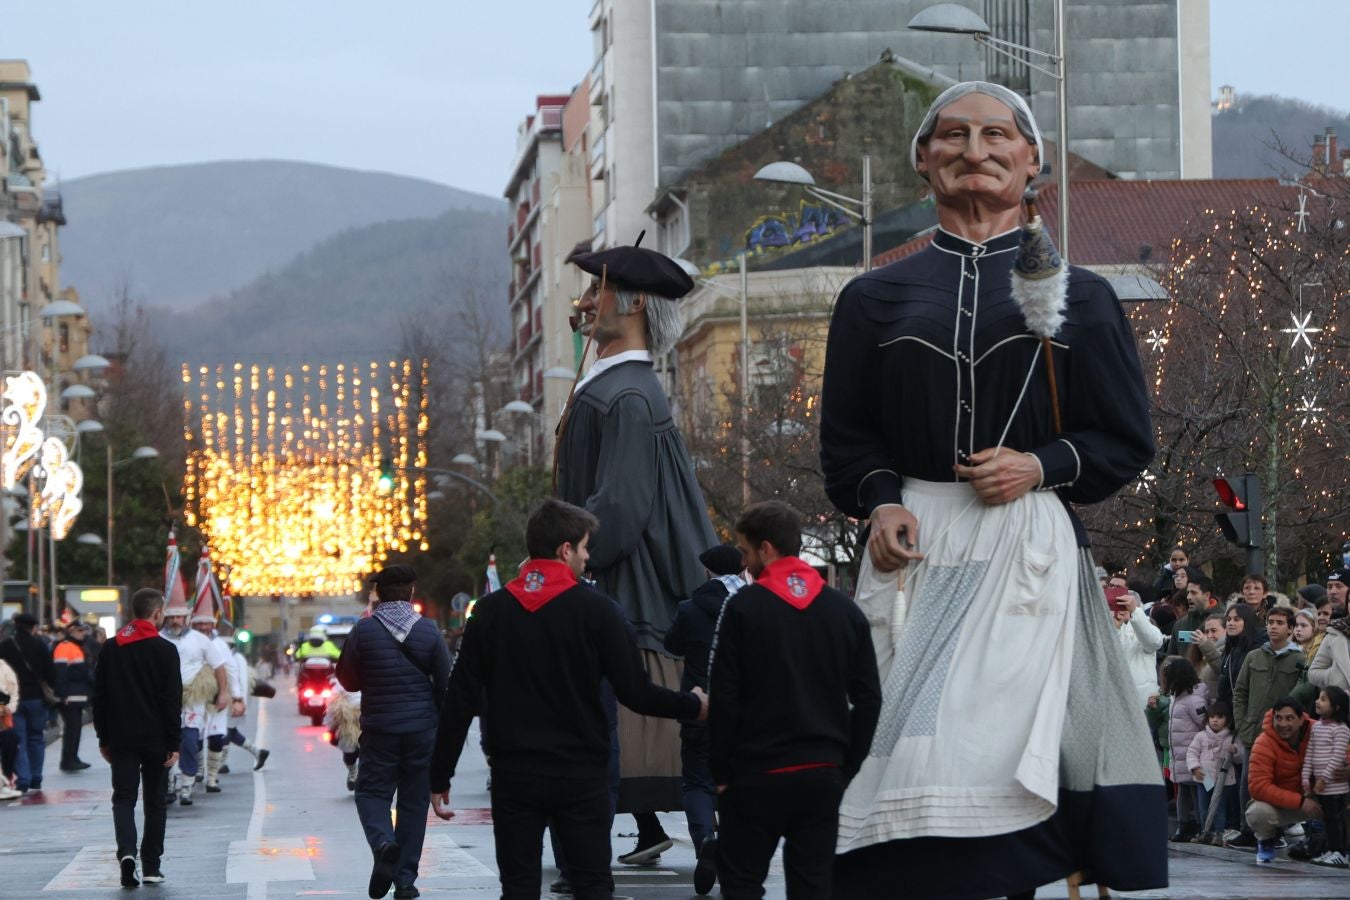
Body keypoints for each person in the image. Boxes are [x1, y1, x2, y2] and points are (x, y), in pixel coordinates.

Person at [818, 80, 1164, 899]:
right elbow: (847, 441)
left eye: (996, 135)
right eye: (954, 135)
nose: (975, 149)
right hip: (919, 549)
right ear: (922, 161)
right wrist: (881, 499)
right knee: (909, 746)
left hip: (1026, 549)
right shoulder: (872, 298)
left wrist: (1039, 465)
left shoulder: (1085, 297)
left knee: (1009, 745)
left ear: (1032, 160)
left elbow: (1124, 439)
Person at [429, 498, 707, 900]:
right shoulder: (600, 612)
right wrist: (693, 705)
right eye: (584, 547)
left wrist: (440, 775)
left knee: (519, 887)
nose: (587, 556)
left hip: (514, 775)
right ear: (565, 550)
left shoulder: (490, 613)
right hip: (582, 776)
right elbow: (636, 692)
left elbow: (460, 698)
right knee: (592, 884)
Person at [556, 236, 719, 865]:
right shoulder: (621, 387)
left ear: (633, 300)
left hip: (631, 585)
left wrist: (570, 560)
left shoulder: (624, 393)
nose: (587, 300)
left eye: (597, 288)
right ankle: (654, 828)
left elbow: (619, 509)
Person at [709, 501, 882, 900]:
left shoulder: (743, 608)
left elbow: (725, 697)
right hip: (822, 771)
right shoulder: (843, 611)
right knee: (813, 885)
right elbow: (869, 697)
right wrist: (848, 762)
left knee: (741, 883)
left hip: (756, 772)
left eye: (746, 552)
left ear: (767, 549)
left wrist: (720, 770)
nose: (744, 562)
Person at [336, 564, 451, 900]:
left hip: (381, 730)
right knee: (414, 803)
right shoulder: (429, 631)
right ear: (411, 592)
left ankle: (383, 843)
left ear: (379, 595)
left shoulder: (363, 631)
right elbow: (445, 687)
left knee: (371, 793)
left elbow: (348, 679)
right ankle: (405, 881)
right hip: (421, 732)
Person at [663, 543, 746, 895]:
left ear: (709, 572)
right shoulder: (752, 604)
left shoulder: (691, 608)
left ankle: (705, 841)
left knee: (696, 781)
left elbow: (671, 645)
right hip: (744, 711)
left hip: (700, 707)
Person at [92, 588, 183, 888]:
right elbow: (172, 700)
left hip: (121, 738)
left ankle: (126, 855)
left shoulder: (111, 648)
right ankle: (152, 866)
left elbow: (100, 698)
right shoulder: (166, 650)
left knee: (124, 799)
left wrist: (103, 738)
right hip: (156, 738)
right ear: (157, 613)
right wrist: (174, 742)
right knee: (155, 801)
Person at [1231, 606, 1307, 848]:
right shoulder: (1254, 657)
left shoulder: (1300, 660)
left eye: (1280, 623)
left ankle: (1275, 832)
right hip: (1253, 731)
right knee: (1248, 783)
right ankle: (1247, 830)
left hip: (1285, 735)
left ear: (1291, 629)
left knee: (1279, 784)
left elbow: (1302, 699)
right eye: (1270, 622)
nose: (1273, 626)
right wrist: (1243, 723)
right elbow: (1240, 692)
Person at [159, 598, 230, 806]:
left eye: (179, 616)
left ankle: (187, 785)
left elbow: (219, 666)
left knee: (189, 741)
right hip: (164, 700)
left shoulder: (200, 640)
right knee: (165, 744)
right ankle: (170, 783)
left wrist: (223, 692)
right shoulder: (157, 639)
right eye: (171, 617)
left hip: (192, 699)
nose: (175, 621)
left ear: (186, 617)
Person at [1245, 697, 1317, 864]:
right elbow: (1258, 787)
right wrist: (1300, 802)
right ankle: (1266, 841)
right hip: (1283, 804)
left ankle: (1336, 845)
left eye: (1289, 718)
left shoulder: (1319, 731)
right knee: (1257, 812)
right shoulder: (1264, 742)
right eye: (1278, 718)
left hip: (1318, 797)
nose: (1283, 724)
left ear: (1301, 720)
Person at [0, 612, 58, 793]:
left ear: (15, 626)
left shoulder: (5, 646)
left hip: (14, 700)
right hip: (36, 698)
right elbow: (51, 672)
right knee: (36, 737)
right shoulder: (40, 645)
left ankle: (23, 778)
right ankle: (36, 777)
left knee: (20, 738)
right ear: (33, 627)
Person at [213, 622, 269, 778]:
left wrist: (236, 701)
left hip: (233, 701)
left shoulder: (234, 659)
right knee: (229, 732)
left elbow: (238, 682)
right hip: (231, 700)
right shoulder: (233, 657)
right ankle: (258, 753)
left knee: (223, 732)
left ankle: (220, 764)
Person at [1160, 656, 1207, 842]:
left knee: (1196, 791)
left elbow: (1204, 725)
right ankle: (1184, 824)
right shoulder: (1176, 698)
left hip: (1193, 756)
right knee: (1184, 791)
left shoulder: (1194, 700)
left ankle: (1199, 824)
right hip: (1179, 755)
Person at [1304, 686, 1350, 868]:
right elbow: (1311, 751)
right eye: (1319, 698)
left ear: (1336, 707)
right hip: (1323, 784)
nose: (1317, 701)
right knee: (1329, 818)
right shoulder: (1318, 727)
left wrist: (1324, 777)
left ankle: (1340, 851)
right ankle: (1332, 849)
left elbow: (1338, 755)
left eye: (1323, 699)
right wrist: (1306, 776)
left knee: (1336, 817)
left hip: (1335, 784)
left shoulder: (1341, 729)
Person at [1186, 700, 1241, 845]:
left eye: (1220, 717)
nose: (1215, 720)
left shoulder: (1232, 738)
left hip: (1224, 780)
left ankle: (1218, 833)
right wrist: (1195, 767)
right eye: (1212, 717)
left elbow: (1239, 759)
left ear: (1227, 719)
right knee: (1204, 807)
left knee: (1219, 807)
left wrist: (1235, 752)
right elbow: (1191, 752)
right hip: (1205, 778)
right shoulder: (1201, 736)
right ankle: (1206, 832)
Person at [53, 620, 94, 772]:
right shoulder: (65, 647)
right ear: (72, 631)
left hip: (76, 695)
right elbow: (60, 673)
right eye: (80, 631)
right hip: (70, 696)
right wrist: (63, 695)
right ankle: (68, 760)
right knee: (72, 729)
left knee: (75, 729)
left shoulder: (76, 647)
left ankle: (72, 758)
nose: (83, 634)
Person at [1113, 587, 1164, 709]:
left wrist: (1135, 612)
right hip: (1114, 700)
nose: (1123, 609)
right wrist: (1114, 627)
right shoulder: (1108, 626)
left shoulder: (1144, 624)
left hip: (1143, 702)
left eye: (1126, 606)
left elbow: (1154, 642)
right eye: (1119, 605)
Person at [1167, 575, 1215, 657]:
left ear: (1207, 595)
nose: (1188, 597)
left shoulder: (1225, 620)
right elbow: (1171, 658)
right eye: (1188, 593)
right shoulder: (1180, 624)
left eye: (1193, 593)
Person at [1310, 613, 1350, 691]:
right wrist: (1332, 677)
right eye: (1349, 601)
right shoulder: (1335, 633)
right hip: (1340, 701)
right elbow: (1313, 673)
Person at [1190, 612, 1226, 698]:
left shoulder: (1229, 650)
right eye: (1206, 632)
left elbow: (1222, 668)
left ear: (1226, 630)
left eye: (1213, 631)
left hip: (1217, 706)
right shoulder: (1203, 651)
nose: (1209, 635)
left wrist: (1206, 646)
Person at [0, 655, 20, 799]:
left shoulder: (3, 667)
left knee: (11, 741)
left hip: (4, 717)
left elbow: (13, 691)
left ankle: (5, 781)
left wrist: (10, 707)